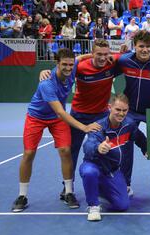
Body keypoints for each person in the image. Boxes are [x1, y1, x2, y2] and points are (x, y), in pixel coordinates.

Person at [11, 48, 101, 212]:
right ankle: (22, 195)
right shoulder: (47, 83)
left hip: (56, 120)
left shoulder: (72, 69)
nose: (68, 68)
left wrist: (95, 55)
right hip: (36, 117)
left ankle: (68, 192)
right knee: (29, 153)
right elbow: (60, 111)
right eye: (64, 65)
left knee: (66, 151)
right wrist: (84, 127)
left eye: (70, 64)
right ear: (57, 64)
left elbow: (80, 57)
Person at [39, 39, 124, 200]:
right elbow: (62, 70)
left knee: (105, 150)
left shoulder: (112, 64)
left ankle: (104, 185)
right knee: (72, 152)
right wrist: (45, 72)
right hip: (79, 114)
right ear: (92, 53)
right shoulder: (81, 67)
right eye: (98, 54)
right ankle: (68, 188)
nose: (102, 58)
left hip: (101, 116)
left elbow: (128, 57)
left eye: (106, 54)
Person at [117, 30, 150, 199]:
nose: (144, 50)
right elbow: (103, 65)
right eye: (141, 46)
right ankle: (126, 184)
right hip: (131, 110)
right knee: (125, 144)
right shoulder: (125, 61)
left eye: (148, 46)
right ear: (135, 47)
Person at [80, 94, 147, 221]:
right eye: (118, 110)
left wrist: (146, 148)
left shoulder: (129, 124)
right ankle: (93, 205)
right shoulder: (98, 127)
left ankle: (100, 189)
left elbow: (139, 137)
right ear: (109, 107)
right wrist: (98, 147)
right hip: (94, 165)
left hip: (111, 170)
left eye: (124, 110)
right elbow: (88, 147)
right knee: (89, 172)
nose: (121, 114)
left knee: (122, 205)